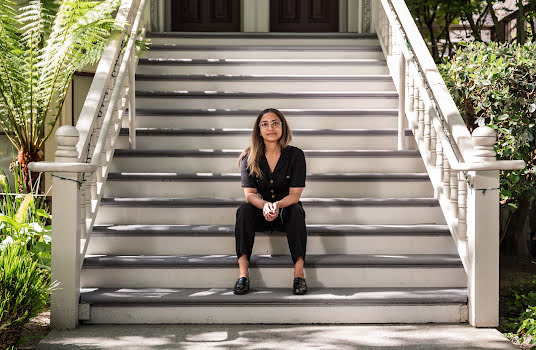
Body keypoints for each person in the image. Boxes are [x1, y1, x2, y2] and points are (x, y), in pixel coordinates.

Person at [234, 108, 308, 295]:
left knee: (297, 211)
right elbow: (249, 194)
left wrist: (277, 205)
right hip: (260, 212)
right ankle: (243, 275)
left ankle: (299, 274)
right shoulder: (249, 157)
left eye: (275, 123)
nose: (271, 128)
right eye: (265, 124)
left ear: (283, 127)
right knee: (243, 211)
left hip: (286, 212)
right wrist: (265, 205)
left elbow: (295, 195)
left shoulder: (296, 155)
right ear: (259, 130)